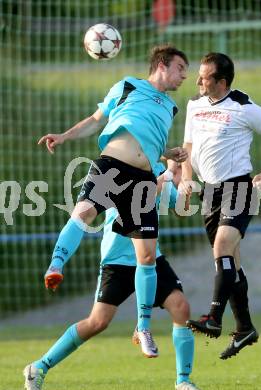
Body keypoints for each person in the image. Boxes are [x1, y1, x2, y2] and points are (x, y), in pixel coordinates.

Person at [37, 44, 189, 356]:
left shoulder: (170, 108)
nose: (183, 76)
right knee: (84, 212)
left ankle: (143, 328)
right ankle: (56, 265)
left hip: (142, 181)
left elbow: (148, 143)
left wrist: (169, 154)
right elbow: (96, 119)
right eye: (180, 69)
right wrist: (64, 136)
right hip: (112, 166)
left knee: (147, 257)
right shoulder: (127, 86)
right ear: (162, 65)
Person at [23, 162, 200, 390]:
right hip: (117, 260)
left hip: (149, 257)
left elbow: (181, 211)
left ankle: (183, 381)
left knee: (181, 307)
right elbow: (144, 194)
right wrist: (167, 174)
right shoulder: (122, 165)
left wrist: (185, 190)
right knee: (97, 322)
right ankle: (39, 367)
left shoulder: (157, 168)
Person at [180, 52, 261, 359]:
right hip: (209, 194)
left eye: (204, 77)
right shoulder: (195, 106)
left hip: (239, 187)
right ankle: (245, 329)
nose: (198, 81)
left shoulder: (243, 106)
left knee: (222, 247)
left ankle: (214, 317)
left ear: (222, 82)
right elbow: (187, 147)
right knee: (231, 264)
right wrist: (187, 177)